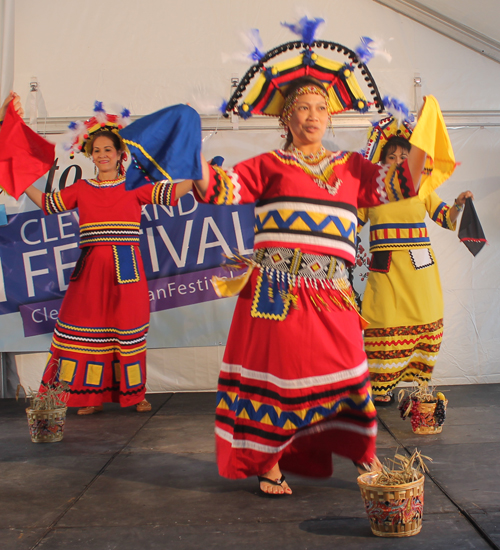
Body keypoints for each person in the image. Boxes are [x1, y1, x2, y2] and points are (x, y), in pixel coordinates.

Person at [192, 75, 427, 496]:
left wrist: (426, 130)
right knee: (277, 377)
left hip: (332, 290)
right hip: (277, 290)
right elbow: (222, 189)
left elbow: (402, 182)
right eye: (303, 107)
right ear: (287, 117)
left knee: (351, 372)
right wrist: (192, 160)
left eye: (320, 107)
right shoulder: (267, 165)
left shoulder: (352, 167)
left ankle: (360, 447)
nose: (313, 116)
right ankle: (269, 463)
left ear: (330, 116)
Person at [24, 125, 192, 415]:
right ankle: (89, 397)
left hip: (126, 269)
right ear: (90, 155)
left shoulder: (134, 186)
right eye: (97, 151)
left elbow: (170, 193)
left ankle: (135, 395)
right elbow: (48, 203)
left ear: (119, 155)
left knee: (128, 328)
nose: (102, 155)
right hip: (90, 271)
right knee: (87, 328)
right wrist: (19, 181)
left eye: (108, 150)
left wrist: (199, 177)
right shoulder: (82, 188)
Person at [358, 134, 473, 404]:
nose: (398, 162)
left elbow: (445, 218)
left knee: (425, 319)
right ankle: (381, 387)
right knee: (383, 321)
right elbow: (349, 224)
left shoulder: (421, 187)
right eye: (392, 157)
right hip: (385, 271)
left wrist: (458, 204)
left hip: (420, 271)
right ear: (381, 161)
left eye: (404, 157)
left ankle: (418, 383)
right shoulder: (371, 191)